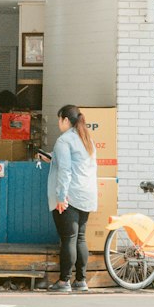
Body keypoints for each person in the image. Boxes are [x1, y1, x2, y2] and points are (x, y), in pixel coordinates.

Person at [46, 104, 98, 293]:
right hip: (86, 195)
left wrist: (61, 196)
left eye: (59, 119)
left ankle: (63, 281)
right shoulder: (87, 139)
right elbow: (78, 164)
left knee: (68, 238)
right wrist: (53, 158)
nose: (58, 123)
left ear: (65, 120)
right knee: (80, 238)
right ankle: (81, 280)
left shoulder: (64, 140)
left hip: (70, 195)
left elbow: (66, 170)